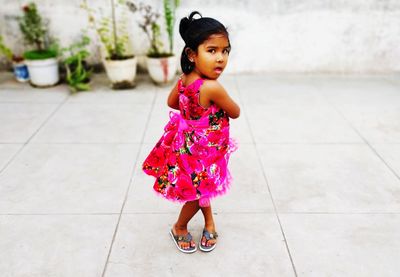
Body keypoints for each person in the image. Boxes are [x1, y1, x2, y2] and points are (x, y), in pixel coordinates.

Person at [142, 11, 240, 253]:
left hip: (187, 144)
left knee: (202, 186)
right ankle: (179, 226)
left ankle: (209, 222)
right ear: (191, 54)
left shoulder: (185, 78)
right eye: (212, 50)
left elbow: (172, 102)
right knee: (197, 193)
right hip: (204, 150)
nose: (220, 58)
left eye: (225, 51)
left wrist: (193, 118)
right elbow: (235, 112)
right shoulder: (212, 87)